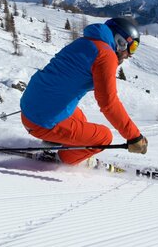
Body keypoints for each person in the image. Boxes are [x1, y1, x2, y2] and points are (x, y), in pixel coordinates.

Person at [20, 17, 148, 165]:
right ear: (121, 42)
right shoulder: (106, 55)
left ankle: (58, 143)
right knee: (103, 137)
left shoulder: (86, 42)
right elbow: (109, 103)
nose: (130, 55)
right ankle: (61, 159)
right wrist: (134, 137)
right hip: (40, 121)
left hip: (31, 106)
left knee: (79, 118)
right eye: (132, 47)